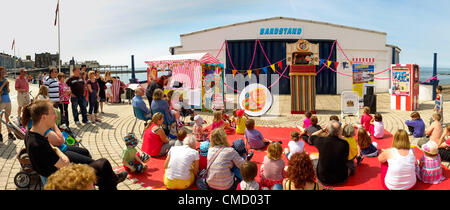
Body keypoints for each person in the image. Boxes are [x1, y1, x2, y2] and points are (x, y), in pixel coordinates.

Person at [24, 99, 128, 190]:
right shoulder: (37, 144)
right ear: (43, 117)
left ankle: (110, 180)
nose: (56, 116)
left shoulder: (32, 133)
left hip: (59, 171)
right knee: (103, 166)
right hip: (60, 178)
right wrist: (59, 152)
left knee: (103, 168)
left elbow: (53, 149)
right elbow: (65, 163)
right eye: (53, 113)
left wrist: (56, 150)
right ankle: (112, 180)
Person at [309, 120, 350, 186]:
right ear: (339, 131)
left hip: (323, 179)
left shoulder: (321, 141)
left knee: (312, 156)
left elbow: (312, 136)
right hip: (341, 179)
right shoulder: (345, 143)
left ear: (327, 130)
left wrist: (323, 129)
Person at [0, 67, 16, 143]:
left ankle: (9, 133)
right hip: (0, 101)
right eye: (2, 71)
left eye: (4, 71)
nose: (4, 73)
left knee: (7, 118)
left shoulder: (6, 80)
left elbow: (8, 91)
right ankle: (0, 135)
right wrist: (4, 84)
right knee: (0, 119)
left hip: (7, 100)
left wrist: (7, 85)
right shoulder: (4, 81)